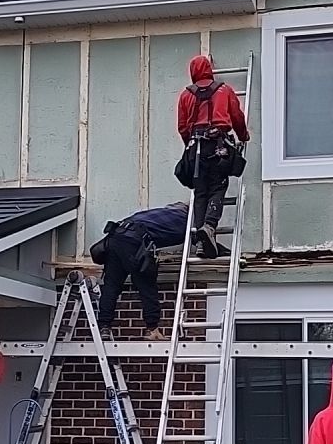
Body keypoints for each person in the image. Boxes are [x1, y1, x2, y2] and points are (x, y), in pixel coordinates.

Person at [176, 55, 250, 259]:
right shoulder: (224, 90)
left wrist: (190, 149)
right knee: (217, 188)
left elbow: (183, 127)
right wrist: (243, 137)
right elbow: (236, 117)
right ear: (209, 69)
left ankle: (201, 243)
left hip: (196, 149)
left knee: (201, 193)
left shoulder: (186, 95)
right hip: (218, 147)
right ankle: (209, 227)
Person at [90, 202, 189, 341]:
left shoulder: (158, 213)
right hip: (133, 242)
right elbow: (198, 239)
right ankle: (152, 330)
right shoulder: (185, 221)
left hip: (115, 238)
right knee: (147, 285)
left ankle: (104, 327)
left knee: (111, 286)